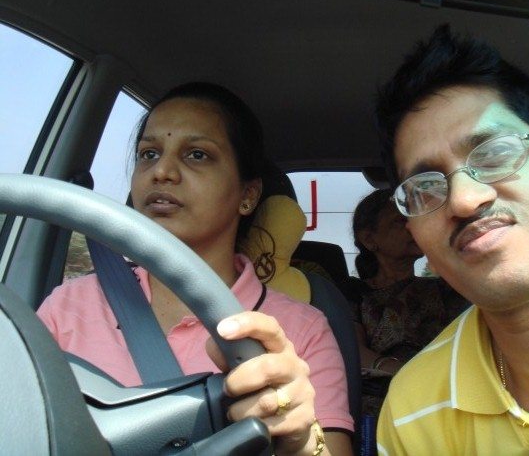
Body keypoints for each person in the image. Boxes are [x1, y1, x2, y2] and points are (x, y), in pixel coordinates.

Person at [37, 82, 353, 455]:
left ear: (248, 195)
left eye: (197, 155)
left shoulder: (301, 329)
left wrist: (300, 441)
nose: (162, 171)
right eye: (149, 153)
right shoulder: (69, 305)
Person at [374, 25, 529, 455]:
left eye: (496, 153)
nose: (464, 199)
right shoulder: (413, 409)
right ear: (417, 238)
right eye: (425, 187)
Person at [349, 188, 467, 416]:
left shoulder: (446, 289)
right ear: (369, 239)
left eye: (414, 219)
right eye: (399, 221)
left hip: (447, 396)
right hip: (382, 401)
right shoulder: (352, 293)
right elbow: (353, 349)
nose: (411, 226)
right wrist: (404, 373)